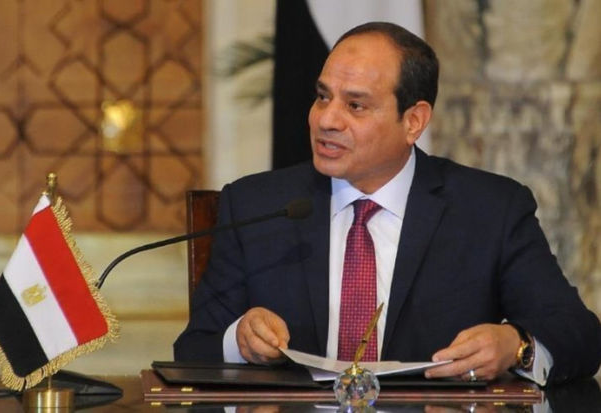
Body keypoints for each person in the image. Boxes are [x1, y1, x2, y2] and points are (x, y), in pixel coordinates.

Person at [174, 22, 601, 385]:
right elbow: (193, 349)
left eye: (355, 105)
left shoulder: (490, 209)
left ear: (413, 121)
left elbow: (579, 335)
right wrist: (239, 340)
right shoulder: (255, 205)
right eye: (323, 96)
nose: (326, 119)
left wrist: (516, 345)